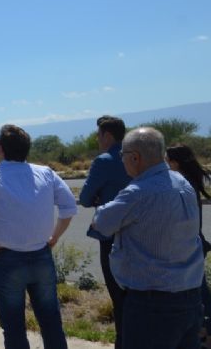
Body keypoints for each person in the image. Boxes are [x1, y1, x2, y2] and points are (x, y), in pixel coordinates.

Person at [93, 128, 204, 349]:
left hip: (152, 303)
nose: (122, 160)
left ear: (135, 157)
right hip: (190, 295)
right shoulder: (182, 182)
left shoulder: (138, 192)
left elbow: (102, 223)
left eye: (123, 155)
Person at [0, 124, 76, 349]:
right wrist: (54, 237)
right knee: (51, 321)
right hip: (41, 255)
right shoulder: (46, 173)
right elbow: (68, 207)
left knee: (13, 327)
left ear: (1, 148)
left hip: (9, 258)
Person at [78, 115, 131, 349]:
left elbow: (85, 198)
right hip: (141, 232)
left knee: (119, 296)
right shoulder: (139, 156)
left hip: (112, 235)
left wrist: (99, 198)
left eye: (98, 135)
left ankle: (124, 342)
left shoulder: (104, 161)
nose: (97, 140)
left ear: (107, 135)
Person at [167, 144, 211, 349]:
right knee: (198, 289)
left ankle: (210, 335)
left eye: (167, 160)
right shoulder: (188, 181)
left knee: (200, 290)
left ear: (175, 162)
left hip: (190, 243)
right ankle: (206, 332)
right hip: (194, 241)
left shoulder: (183, 184)